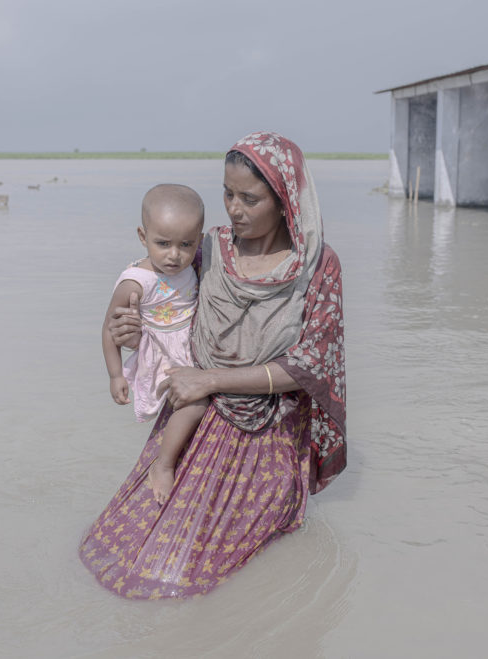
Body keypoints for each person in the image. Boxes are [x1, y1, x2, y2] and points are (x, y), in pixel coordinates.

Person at [81, 131, 346, 599]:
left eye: (250, 197)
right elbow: (168, 319)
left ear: (285, 199)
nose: (234, 208)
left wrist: (210, 380)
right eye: (227, 193)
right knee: (128, 555)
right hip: (191, 419)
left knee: (202, 569)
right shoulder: (205, 250)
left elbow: (310, 366)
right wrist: (129, 333)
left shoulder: (318, 266)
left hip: (265, 433)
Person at [101, 184, 207, 505]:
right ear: (142, 236)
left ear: (199, 242)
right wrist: (116, 375)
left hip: (189, 346)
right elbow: (109, 328)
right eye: (163, 244)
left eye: (185, 245)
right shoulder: (136, 280)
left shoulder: (192, 266)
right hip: (159, 354)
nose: (174, 255)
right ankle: (163, 465)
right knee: (195, 403)